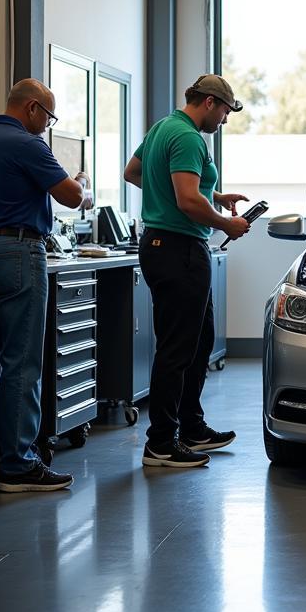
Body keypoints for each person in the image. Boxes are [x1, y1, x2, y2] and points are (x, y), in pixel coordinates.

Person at [0, 79, 93, 492]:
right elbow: (72, 197)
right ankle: (19, 465)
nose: (47, 125)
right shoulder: (26, 143)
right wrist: (84, 184)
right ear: (33, 108)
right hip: (21, 253)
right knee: (23, 361)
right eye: (48, 116)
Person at [124, 75, 251, 470]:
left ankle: (192, 427)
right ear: (211, 102)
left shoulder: (163, 128)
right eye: (227, 112)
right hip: (179, 249)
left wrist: (213, 196)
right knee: (178, 348)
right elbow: (186, 199)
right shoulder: (191, 137)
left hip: (165, 246)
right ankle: (161, 442)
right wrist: (225, 223)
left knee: (198, 342)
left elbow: (134, 172)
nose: (226, 121)